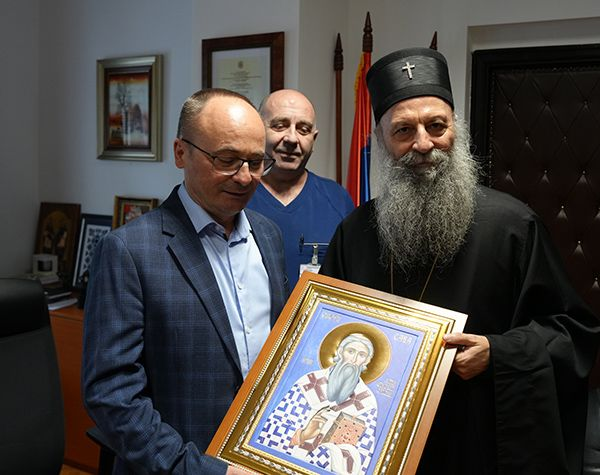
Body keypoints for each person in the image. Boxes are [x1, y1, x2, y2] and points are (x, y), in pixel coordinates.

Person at [320, 47, 600, 474]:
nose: (423, 144)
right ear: (381, 139)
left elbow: (572, 333)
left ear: (456, 129)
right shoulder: (355, 232)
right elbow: (326, 333)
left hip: (475, 443)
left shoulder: (512, 226)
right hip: (376, 442)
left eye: (436, 126)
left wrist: (497, 352)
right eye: (403, 130)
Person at [82, 88, 288, 475]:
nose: (245, 177)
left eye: (257, 162)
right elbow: (112, 395)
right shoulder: (128, 251)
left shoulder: (269, 236)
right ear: (181, 153)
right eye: (227, 160)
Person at [247, 89, 354, 290]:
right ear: (259, 131)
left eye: (303, 129)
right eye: (280, 126)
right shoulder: (238, 195)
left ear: (314, 139)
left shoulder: (338, 200)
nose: (292, 139)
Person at [257, 333, 378, 475]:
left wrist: (330, 453)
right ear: (340, 351)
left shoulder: (367, 402)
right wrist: (303, 435)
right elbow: (273, 427)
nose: (354, 359)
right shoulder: (308, 383)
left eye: (362, 355)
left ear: (367, 361)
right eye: (350, 351)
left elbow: (364, 454)